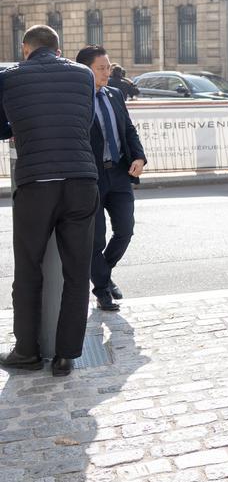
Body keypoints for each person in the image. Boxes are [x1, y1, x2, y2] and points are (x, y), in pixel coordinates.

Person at [0, 25, 100, 377]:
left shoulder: (9, 77)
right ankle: (65, 356)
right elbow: (84, 120)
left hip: (37, 182)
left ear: (26, 48)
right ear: (59, 49)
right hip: (81, 180)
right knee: (76, 272)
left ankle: (27, 350)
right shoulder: (84, 74)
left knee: (29, 268)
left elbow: (2, 127)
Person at [77, 46, 147, 312]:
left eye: (108, 67)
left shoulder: (115, 94)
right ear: (85, 70)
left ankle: (102, 275)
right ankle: (103, 291)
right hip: (91, 176)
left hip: (119, 172)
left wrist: (139, 157)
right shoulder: (76, 99)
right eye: (101, 68)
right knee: (95, 240)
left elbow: (128, 129)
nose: (107, 72)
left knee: (125, 231)